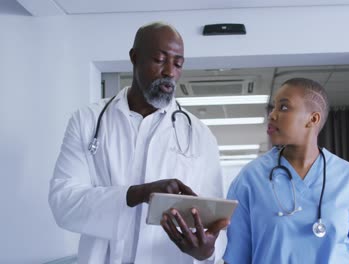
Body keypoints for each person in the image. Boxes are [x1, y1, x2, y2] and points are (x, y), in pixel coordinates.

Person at [49, 21, 228, 264]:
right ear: (135, 57)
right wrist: (138, 194)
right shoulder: (88, 121)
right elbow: (64, 204)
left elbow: (213, 222)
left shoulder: (199, 134)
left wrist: (207, 253)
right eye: (159, 59)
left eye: (178, 64)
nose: (170, 72)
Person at [223, 78, 349, 264]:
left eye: (284, 108)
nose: (273, 115)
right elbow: (236, 258)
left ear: (313, 119)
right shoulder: (250, 179)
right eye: (274, 107)